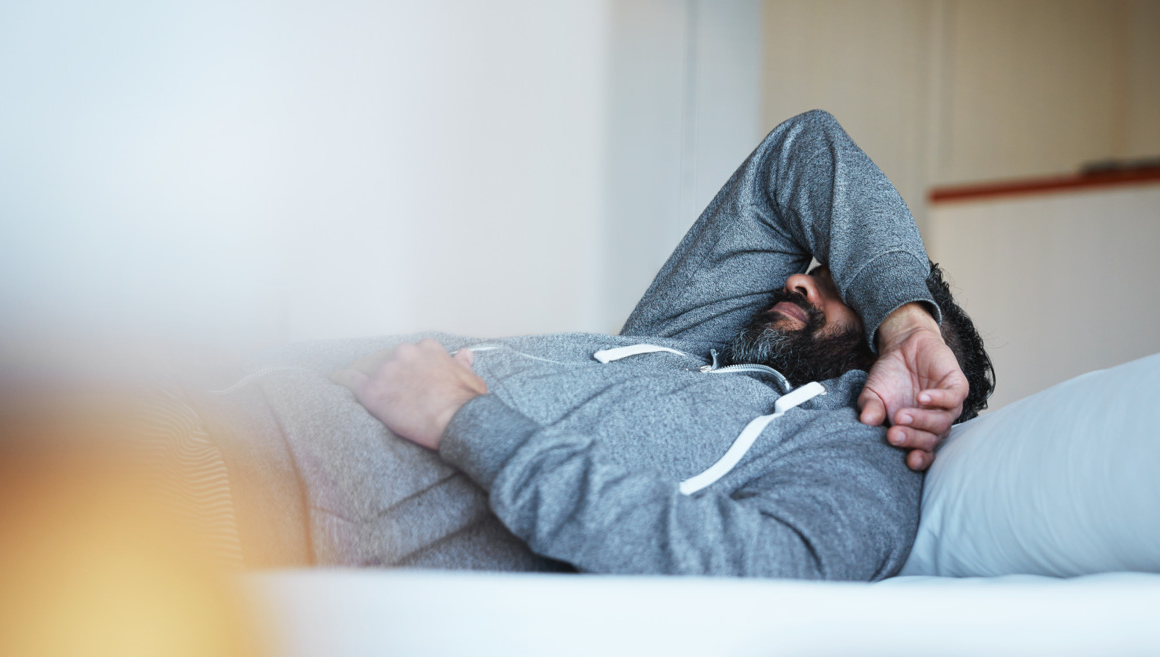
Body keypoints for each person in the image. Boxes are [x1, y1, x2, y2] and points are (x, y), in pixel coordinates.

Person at [183, 110, 994, 580]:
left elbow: (749, 566)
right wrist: (905, 314)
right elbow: (804, 150)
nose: (799, 284)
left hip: (256, 494)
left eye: (836, 289)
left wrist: (466, 419)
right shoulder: (692, 353)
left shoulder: (854, 463)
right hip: (221, 408)